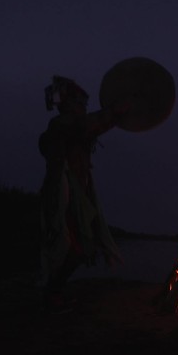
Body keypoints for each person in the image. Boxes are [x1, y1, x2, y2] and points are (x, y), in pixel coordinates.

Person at [37, 75, 129, 313]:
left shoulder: (70, 127)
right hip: (62, 195)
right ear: (71, 103)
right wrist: (116, 111)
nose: (82, 108)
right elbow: (87, 125)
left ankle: (53, 291)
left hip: (76, 194)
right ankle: (52, 293)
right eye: (79, 104)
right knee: (69, 246)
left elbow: (89, 127)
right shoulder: (61, 126)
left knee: (80, 245)